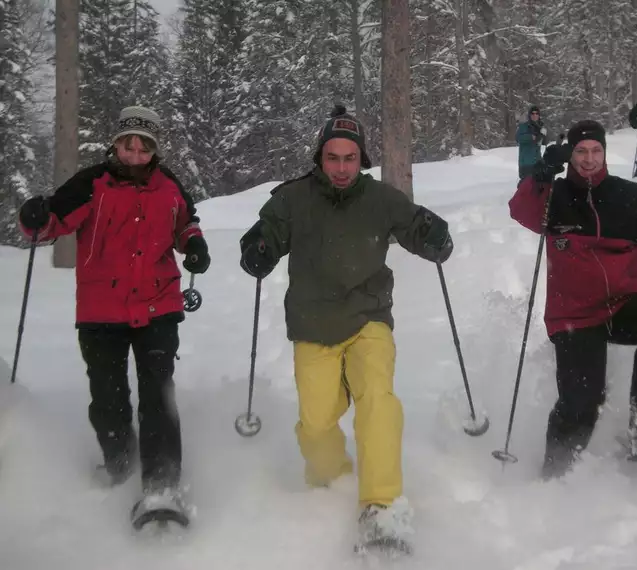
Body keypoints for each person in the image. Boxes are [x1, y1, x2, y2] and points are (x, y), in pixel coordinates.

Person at [239, 104, 453, 544]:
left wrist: (435, 237)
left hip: (368, 315)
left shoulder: (381, 199)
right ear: (320, 157)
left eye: (349, 158)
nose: (341, 167)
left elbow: (417, 229)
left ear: (362, 159)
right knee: (316, 423)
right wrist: (256, 247)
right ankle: (334, 478)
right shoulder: (292, 198)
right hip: (312, 321)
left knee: (378, 400)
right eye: (333, 158)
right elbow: (266, 235)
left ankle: (382, 504)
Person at [18, 106, 210, 503]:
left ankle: (162, 487)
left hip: (158, 305)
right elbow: (52, 222)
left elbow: (186, 222)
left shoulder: (169, 185)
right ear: (116, 145)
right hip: (100, 311)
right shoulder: (92, 183)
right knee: (108, 399)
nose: (135, 155)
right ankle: (119, 464)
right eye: (128, 146)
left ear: (155, 150)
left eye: (144, 148)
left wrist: (194, 244)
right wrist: (34, 217)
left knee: (158, 394)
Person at [508, 119, 637, 479]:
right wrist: (543, 173)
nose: (589, 159)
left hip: (624, 304)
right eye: (581, 151)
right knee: (582, 402)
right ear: (571, 156)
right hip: (574, 316)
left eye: (596, 150)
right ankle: (554, 473)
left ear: (605, 153)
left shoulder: (630, 196)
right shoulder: (555, 197)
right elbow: (520, 210)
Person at [516, 105, 548, 181]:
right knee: (525, 186)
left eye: (536, 113)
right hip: (526, 163)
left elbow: (543, 143)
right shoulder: (524, 126)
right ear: (529, 115)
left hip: (537, 162)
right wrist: (531, 137)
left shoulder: (541, 127)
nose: (535, 115)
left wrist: (544, 136)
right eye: (532, 113)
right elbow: (518, 138)